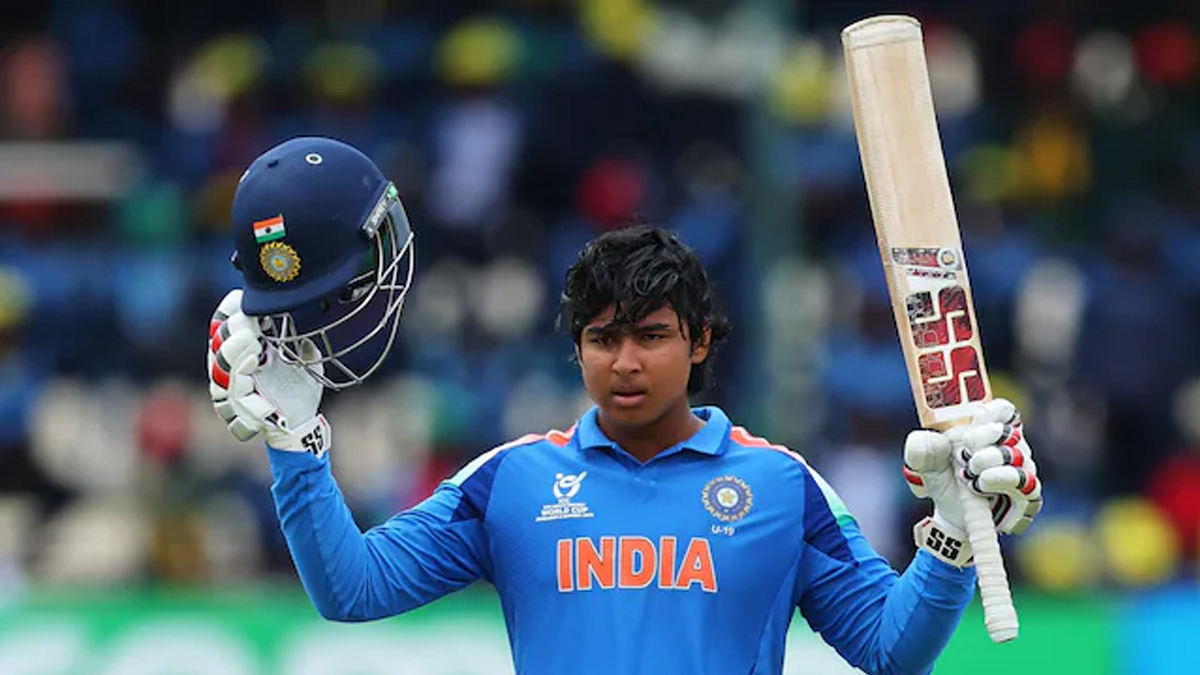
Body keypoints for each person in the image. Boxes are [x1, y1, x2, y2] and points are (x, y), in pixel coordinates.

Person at [207, 137, 1043, 675]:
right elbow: (351, 588)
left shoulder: (782, 486)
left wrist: (948, 535)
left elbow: (891, 650)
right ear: (576, 349)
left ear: (701, 342)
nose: (627, 361)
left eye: (652, 335)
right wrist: (294, 442)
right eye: (603, 338)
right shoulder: (511, 480)